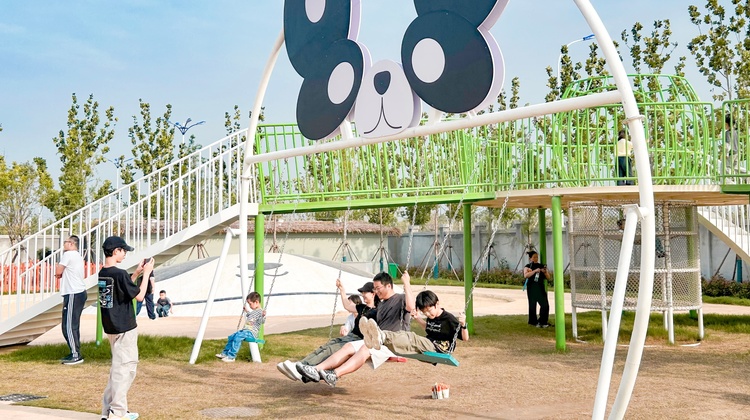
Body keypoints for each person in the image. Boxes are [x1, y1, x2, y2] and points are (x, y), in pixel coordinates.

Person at [296, 271, 415, 387]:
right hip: (378, 341)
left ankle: (334, 374)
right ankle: (316, 369)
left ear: (388, 286)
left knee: (365, 348)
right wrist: (342, 290)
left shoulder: (401, 298)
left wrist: (406, 283)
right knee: (348, 346)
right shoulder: (382, 305)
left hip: (394, 343)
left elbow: (411, 306)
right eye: (374, 288)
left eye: (378, 288)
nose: (376, 291)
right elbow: (350, 306)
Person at [277, 279, 376, 382]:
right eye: (362, 292)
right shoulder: (362, 308)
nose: (363, 295)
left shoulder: (376, 312)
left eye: (365, 292)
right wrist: (342, 289)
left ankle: (303, 370)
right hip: (350, 336)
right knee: (325, 347)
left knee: (331, 350)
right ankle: (300, 365)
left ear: (373, 294)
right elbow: (347, 305)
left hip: (358, 340)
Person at [98, 236, 153, 420]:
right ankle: (117, 412)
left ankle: (109, 410)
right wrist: (146, 274)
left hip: (111, 327)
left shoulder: (104, 273)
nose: (125, 254)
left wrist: (136, 273)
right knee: (126, 370)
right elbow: (139, 296)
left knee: (117, 369)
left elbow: (123, 288)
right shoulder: (120, 273)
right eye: (123, 251)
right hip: (125, 327)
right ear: (116, 251)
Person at [360, 289, 469, 356]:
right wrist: (418, 318)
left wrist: (463, 325)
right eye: (424, 312)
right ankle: (376, 338)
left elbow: (465, 338)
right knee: (403, 335)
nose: (427, 314)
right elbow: (429, 328)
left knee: (412, 338)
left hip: (439, 348)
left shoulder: (449, 318)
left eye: (429, 310)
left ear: (437, 304)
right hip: (429, 344)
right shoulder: (432, 316)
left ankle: (382, 336)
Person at [56, 235, 87, 365]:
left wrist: (59, 272)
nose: (64, 244)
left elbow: (58, 271)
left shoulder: (68, 254)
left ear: (71, 244)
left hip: (73, 293)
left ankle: (76, 355)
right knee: (72, 325)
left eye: (66, 241)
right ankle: (74, 352)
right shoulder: (77, 256)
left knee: (68, 325)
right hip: (78, 292)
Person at [216, 292, 266, 362]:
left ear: (256, 302)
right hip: (246, 331)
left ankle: (231, 357)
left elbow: (262, 321)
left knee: (238, 337)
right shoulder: (254, 311)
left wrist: (263, 316)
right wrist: (246, 311)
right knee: (232, 336)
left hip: (251, 333)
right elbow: (251, 315)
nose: (249, 306)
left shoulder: (261, 312)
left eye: (250, 304)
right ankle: (225, 353)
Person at [523, 250, 550, 328]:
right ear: (530, 258)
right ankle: (533, 321)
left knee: (545, 305)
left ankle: (543, 321)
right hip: (532, 287)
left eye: (537, 257)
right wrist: (535, 271)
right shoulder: (528, 266)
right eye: (534, 257)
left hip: (540, 287)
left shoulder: (541, 266)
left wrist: (545, 272)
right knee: (532, 305)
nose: (536, 259)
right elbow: (526, 275)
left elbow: (548, 277)